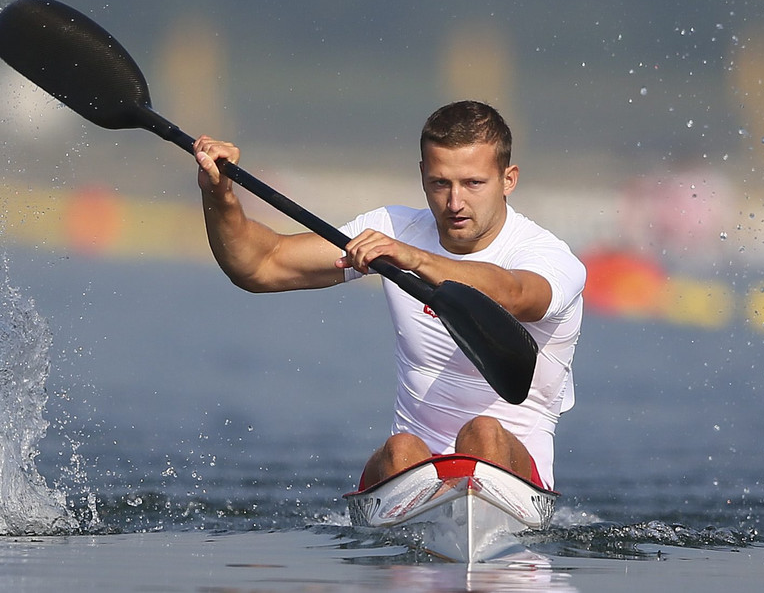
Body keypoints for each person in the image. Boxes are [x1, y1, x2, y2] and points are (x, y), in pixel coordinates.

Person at [193, 100, 584, 490]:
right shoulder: (392, 228)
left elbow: (515, 296)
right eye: (440, 182)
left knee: (483, 432)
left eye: (473, 183)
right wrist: (219, 194)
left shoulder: (550, 257)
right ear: (422, 175)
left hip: (512, 472)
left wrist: (414, 259)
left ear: (508, 179)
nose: (454, 202)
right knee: (401, 447)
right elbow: (260, 266)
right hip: (409, 467)